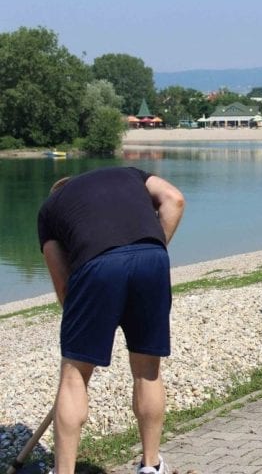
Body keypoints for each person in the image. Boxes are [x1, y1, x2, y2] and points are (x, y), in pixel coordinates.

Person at [37, 167, 185, 474]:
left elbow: (64, 286)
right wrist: (148, 253)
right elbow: (174, 199)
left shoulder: (50, 209)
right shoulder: (128, 174)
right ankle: (151, 466)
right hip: (152, 258)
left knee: (73, 377)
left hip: (97, 265)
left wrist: (87, 323)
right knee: (148, 370)